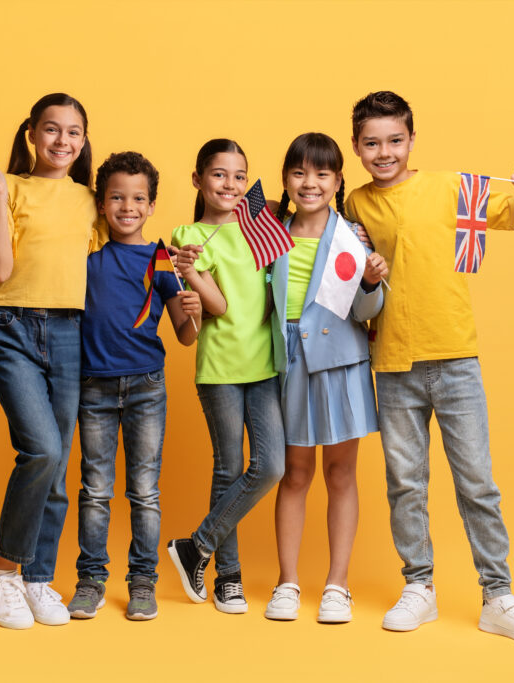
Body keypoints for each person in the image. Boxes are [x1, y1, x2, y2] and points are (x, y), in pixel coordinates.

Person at [344, 90, 514, 644]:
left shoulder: (452, 188)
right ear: (357, 147)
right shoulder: (356, 205)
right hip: (391, 362)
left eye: (394, 140)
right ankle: (419, 587)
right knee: (405, 483)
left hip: (456, 356)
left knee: (477, 482)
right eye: (372, 143)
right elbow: (345, 277)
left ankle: (499, 595)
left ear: (412, 140)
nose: (384, 151)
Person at [0, 92, 105, 630]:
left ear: (84, 140)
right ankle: (3, 570)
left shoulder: (90, 200)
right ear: (32, 133)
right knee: (41, 449)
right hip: (11, 328)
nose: (62, 141)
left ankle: (37, 578)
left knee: (57, 465)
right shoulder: (13, 187)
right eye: (52, 130)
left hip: (70, 330)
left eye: (74, 132)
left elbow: (117, 254)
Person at [64, 152, 201, 620]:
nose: (128, 206)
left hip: (146, 386)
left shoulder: (161, 257)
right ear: (101, 204)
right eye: (117, 197)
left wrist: (193, 313)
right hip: (93, 387)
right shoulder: (86, 256)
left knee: (144, 491)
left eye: (138, 198)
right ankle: (90, 579)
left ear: (152, 205)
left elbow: (184, 335)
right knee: (95, 490)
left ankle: (143, 581)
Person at [263, 133, 388, 624]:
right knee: (294, 474)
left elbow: (366, 309)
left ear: (338, 181)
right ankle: (287, 582)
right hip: (287, 359)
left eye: (321, 174)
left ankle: (338, 584)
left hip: (340, 361)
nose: (309, 183)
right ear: (286, 180)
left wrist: (373, 281)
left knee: (340, 474)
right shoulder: (269, 231)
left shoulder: (351, 236)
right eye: (299, 172)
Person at [165, 139, 286, 614]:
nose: (230, 185)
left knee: (270, 464)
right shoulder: (188, 234)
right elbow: (218, 307)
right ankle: (228, 578)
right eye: (218, 175)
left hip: (267, 364)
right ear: (198, 180)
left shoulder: (261, 226)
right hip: (219, 367)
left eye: (239, 176)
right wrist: (191, 271)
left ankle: (197, 545)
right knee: (228, 468)